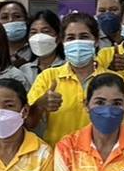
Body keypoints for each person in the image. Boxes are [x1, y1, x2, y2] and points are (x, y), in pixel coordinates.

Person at [28, 13, 105, 146]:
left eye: (84, 37)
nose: (77, 42)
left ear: (96, 40)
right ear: (62, 42)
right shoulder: (47, 77)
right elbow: (28, 123)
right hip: (57, 154)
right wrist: (40, 105)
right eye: (70, 38)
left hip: (97, 156)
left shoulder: (112, 80)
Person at [0, 0, 33, 66]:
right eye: (5, 17)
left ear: (26, 20)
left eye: (17, 16)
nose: (11, 20)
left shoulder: (36, 48)